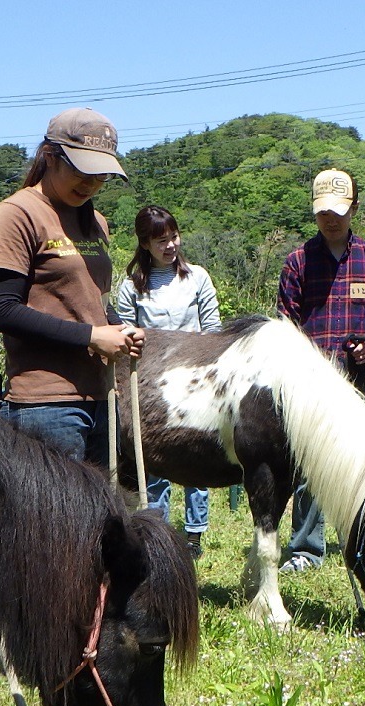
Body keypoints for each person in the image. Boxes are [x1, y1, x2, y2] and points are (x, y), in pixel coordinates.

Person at [0, 107, 145, 465]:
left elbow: (92, 299)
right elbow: (3, 309)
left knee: (106, 503)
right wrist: (91, 337)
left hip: (101, 396)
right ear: (50, 156)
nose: (91, 185)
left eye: (101, 176)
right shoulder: (17, 214)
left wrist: (118, 328)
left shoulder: (96, 222)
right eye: (82, 172)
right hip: (45, 404)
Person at [277, 168, 365, 572]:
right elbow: (285, 324)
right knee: (311, 467)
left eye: (338, 211)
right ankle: (305, 550)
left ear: (354, 209)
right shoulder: (297, 262)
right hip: (315, 385)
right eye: (322, 212)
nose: (330, 219)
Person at [117, 206, 221, 559]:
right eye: (161, 241)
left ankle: (194, 534)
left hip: (196, 382)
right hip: (153, 389)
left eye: (174, 237)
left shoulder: (198, 278)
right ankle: (158, 530)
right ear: (145, 244)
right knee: (156, 460)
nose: (171, 246)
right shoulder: (132, 286)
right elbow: (125, 336)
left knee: (197, 457)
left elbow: (213, 329)